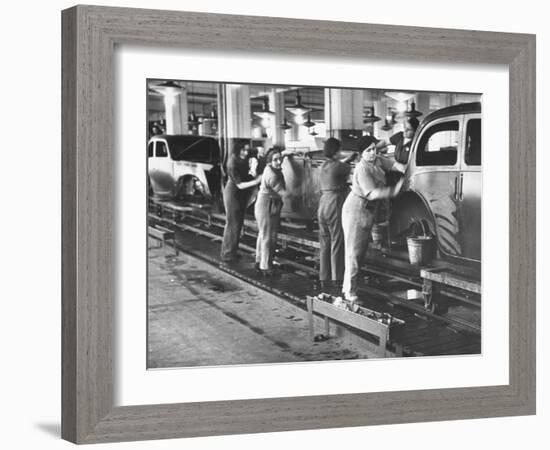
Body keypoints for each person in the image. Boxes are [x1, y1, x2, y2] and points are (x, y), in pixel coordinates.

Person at [341, 136, 406, 302]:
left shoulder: (377, 160)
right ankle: (349, 292)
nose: (372, 153)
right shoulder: (362, 168)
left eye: (374, 148)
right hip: (356, 209)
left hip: (368, 210)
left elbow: (394, 165)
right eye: (368, 150)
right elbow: (372, 193)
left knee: (360, 252)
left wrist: (407, 171)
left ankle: (350, 286)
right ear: (361, 153)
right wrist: (394, 190)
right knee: (354, 252)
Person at [317, 137, 356, 289]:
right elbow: (347, 168)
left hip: (322, 203)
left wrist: (347, 159)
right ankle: (337, 277)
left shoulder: (324, 165)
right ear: (336, 151)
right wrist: (352, 159)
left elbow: (339, 165)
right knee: (337, 240)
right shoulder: (339, 166)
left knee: (325, 241)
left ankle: (324, 277)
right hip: (334, 203)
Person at [220, 144, 261, 262]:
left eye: (247, 150)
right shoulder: (232, 162)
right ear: (237, 150)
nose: (245, 153)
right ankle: (227, 254)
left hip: (241, 194)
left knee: (237, 224)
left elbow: (257, 152)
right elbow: (240, 185)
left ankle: (231, 251)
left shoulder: (243, 157)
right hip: (233, 193)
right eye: (243, 150)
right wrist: (256, 180)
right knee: (233, 223)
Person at [254, 148, 286, 276]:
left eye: (280, 159)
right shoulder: (272, 175)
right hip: (266, 204)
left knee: (263, 234)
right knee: (268, 236)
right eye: (275, 160)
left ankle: (259, 260)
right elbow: (284, 194)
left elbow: (279, 155)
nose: (279, 162)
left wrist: (286, 153)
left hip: (267, 203)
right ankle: (265, 267)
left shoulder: (270, 168)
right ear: (269, 161)